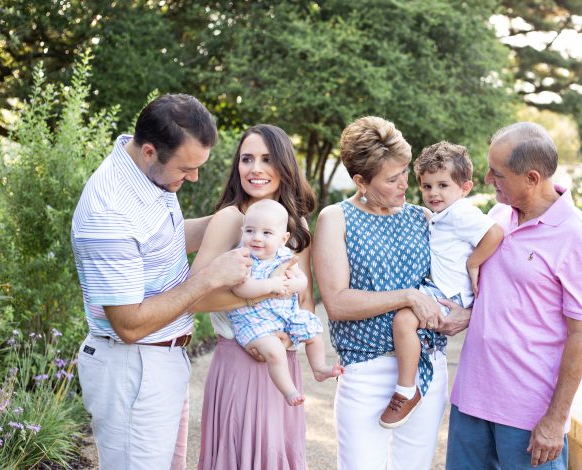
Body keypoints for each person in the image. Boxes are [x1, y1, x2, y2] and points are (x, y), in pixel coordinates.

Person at [71, 94, 253, 469]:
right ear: (151, 151)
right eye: (186, 169)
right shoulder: (110, 211)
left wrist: (238, 220)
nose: (194, 177)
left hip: (159, 362)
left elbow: (158, 240)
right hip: (133, 368)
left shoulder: (143, 170)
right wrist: (209, 279)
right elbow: (129, 324)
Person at [444, 122, 582, 469]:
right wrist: (468, 312)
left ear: (532, 178)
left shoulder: (576, 237)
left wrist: (555, 420)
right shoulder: (499, 213)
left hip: (528, 415)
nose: (488, 179)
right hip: (470, 399)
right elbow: (506, 295)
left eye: (497, 173)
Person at [313, 116, 470, 470]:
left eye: (404, 173)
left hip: (426, 366)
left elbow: (466, 274)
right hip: (366, 370)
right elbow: (336, 303)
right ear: (360, 181)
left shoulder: (424, 218)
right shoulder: (335, 218)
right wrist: (407, 296)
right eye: (391, 178)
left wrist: (466, 314)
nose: (404, 185)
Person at [191, 124, 317, 470]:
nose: (255, 168)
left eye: (266, 159)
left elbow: (304, 299)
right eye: (247, 159)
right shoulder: (231, 219)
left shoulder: (297, 227)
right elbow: (195, 297)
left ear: (284, 166)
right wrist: (256, 297)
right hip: (239, 358)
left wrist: (289, 336)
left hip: (282, 363)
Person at [379, 141, 503, 429]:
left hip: (449, 294)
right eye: (427, 186)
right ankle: (412, 378)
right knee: (404, 318)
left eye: (443, 185)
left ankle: (407, 390)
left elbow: (495, 234)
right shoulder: (441, 216)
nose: (433, 193)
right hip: (440, 288)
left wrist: (473, 263)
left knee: (403, 320)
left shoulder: (461, 212)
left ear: (465, 187)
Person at [228, 199, 343, 405]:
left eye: (266, 233)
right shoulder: (242, 257)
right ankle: (289, 390)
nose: (257, 238)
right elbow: (241, 289)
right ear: (242, 230)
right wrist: (271, 285)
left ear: (283, 238)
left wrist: (293, 285)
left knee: (313, 329)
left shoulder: (284, 256)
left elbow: (303, 281)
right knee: (275, 351)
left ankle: (319, 368)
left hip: (285, 317)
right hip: (255, 323)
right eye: (250, 231)